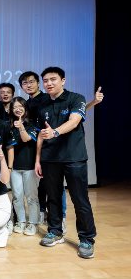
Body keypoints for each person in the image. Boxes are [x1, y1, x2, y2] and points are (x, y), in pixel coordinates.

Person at [35, 66, 97, 259]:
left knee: (80, 199)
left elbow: (74, 121)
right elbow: (40, 134)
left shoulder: (76, 98)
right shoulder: (42, 103)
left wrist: (55, 132)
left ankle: (86, 239)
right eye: (45, 80)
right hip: (49, 158)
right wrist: (38, 159)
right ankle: (55, 231)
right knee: (53, 197)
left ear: (63, 80)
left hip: (73, 157)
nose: (49, 83)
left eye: (53, 79)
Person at [9, 97, 40, 236]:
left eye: (20, 106)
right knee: (17, 196)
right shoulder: (9, 125)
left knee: (31, 197)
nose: (17, 109)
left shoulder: (32, 124)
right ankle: (21, 221)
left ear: (25, 108)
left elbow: (26, 138)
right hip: (14, 167)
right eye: (14, 107)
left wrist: (21, 127)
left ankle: (32, 223)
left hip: (30, 167)